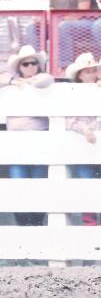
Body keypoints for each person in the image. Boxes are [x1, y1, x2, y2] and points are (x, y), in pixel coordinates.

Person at [0, 45, 53, 227]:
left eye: (33, 63)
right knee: (18, 182)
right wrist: (14, 82)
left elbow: (45, 80)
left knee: (38, 182)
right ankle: (23, 226)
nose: (30, 67)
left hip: (39, 139)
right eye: (25, 64)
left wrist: (25, 82)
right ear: (19, 67)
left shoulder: (43, 82)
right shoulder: (11, 86)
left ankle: (36, 224)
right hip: (16, 143)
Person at [64, 52, 101, 226]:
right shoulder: (72, 94)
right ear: (80, 75)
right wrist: (84, 129)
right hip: (83, 145)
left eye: (94, 71)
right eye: (87, 72)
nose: (92, 75)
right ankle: (90, 223)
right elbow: (70, 120)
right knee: (87, 184)